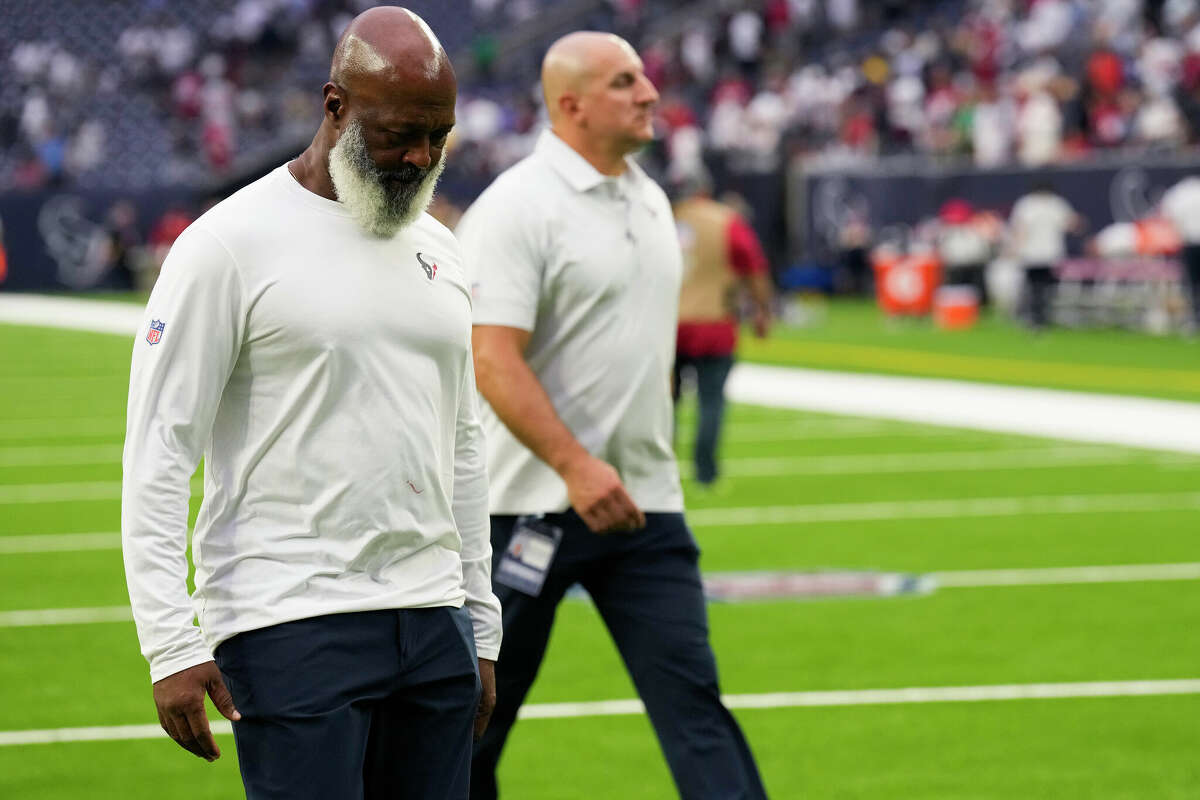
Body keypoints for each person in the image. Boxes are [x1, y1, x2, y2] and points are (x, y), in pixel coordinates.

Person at [121, 8, 500, 799]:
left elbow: (462, 442)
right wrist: (169, 642)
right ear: (335, 107)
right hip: (288, 620)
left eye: (439, 134)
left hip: (433, 622)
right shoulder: (228, 243)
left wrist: (480, 622)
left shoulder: (442, 247)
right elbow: (160, 450)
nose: (421, 156)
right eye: (400, 132)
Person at [458, 31, 768, 800]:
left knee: (695, 706)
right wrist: (573, 464)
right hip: (526, 505)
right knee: (473, 726)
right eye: (625, 82)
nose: (650, 93)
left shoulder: (650, 196)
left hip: (643, 508)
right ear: (571, 104)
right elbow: (492, 357)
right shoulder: (516, 208)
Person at [671, 171, 773, 488]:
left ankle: (660, 470)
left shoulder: (663, 217)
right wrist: (762, 311)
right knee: (711, 401)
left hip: (668, 323)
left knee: (665, 403)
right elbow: (754, 268)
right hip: (713, 321)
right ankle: (705, 472)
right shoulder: (725, 221)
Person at [1008, 180, 1084, 329]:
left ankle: (1034, 318)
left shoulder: (1027, 204)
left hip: (1031, 254)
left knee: (1034, 287)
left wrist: (1015, 249)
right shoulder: (1056, 204)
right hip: (1049, 254)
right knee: (1042, 288)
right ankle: (1039, 317)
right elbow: (1073, 224)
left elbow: (1020, 230)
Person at [1159, 174, 1200, 329]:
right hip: (1188, 242)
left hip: (1189, 243)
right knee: (1192, 284)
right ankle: (1195, 318)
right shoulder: (1180, 193)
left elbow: (1169, 218)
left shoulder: (1177, 194)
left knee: (1192, 284)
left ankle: (1195, 319)